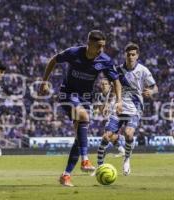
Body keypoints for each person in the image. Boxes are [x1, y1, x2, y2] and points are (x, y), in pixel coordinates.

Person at [39, 30, 122, 187]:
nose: (101, 50)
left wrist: (118, 101)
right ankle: (85, 160)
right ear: (89, 43)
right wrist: (44, 81)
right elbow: (53, 60)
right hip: (67, 94)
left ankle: (66, 175)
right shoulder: (73, 52)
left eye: (103, 46)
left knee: (79, 138)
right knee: (84, 117)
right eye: (98, 46)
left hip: (86, 98)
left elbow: (116, 81)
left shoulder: (104, 60)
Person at [96, 42, 158, 176]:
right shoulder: (117, 70)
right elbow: (113, 88)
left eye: (133, 54)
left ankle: (127, 158)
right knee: (106, 137)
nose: (130, 57)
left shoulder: (143, 70)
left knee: (129, 134)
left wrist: (151, 92)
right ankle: (99, 166)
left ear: (137, 56)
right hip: (118, 107)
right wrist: (107, 103)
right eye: (128, 54)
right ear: (125, 55)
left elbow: (155, 87)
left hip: (134, 108)